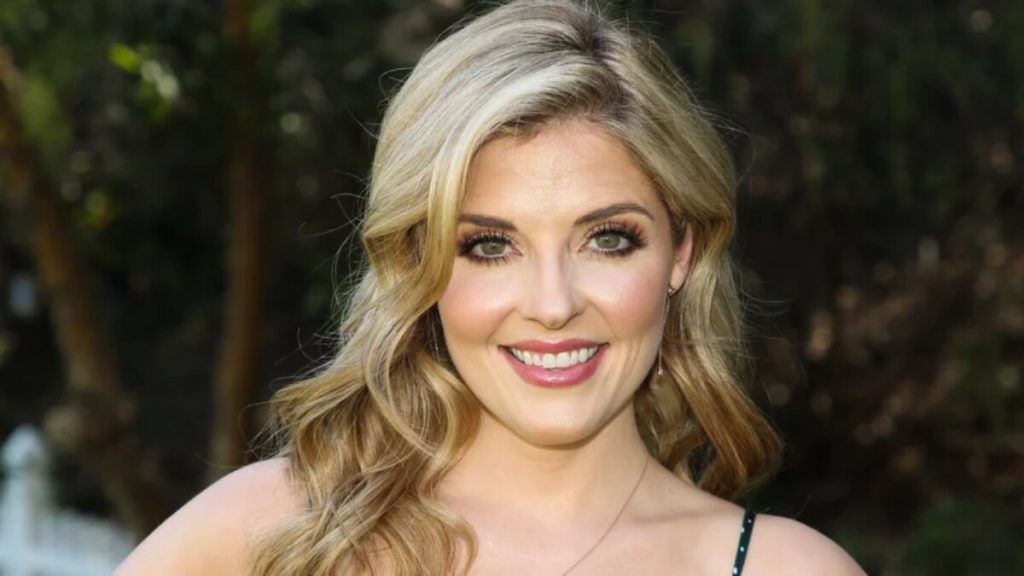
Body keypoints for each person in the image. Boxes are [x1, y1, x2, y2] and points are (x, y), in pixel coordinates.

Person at [116, 1, 866, 574]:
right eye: (489, 246)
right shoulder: (272, 532)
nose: (552, 304)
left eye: (608, 239)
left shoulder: (781, 569)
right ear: (420, 263)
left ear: (681, 252)